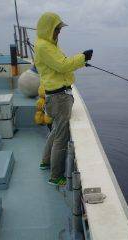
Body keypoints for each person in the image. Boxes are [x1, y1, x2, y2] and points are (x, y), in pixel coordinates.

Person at [34, 12, 93, 186]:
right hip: (59, 98)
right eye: (57, 29)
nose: (58, 33)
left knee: (55, 132)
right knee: (61, 138)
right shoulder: (44, 46)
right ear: (48, 28)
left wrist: (80, 62)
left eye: (59, 30)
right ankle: (55, 176)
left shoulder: (47, 45)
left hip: (56, 96)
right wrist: (83, 57)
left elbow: (61, 63)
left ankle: (45, 162)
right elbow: (62, 65)